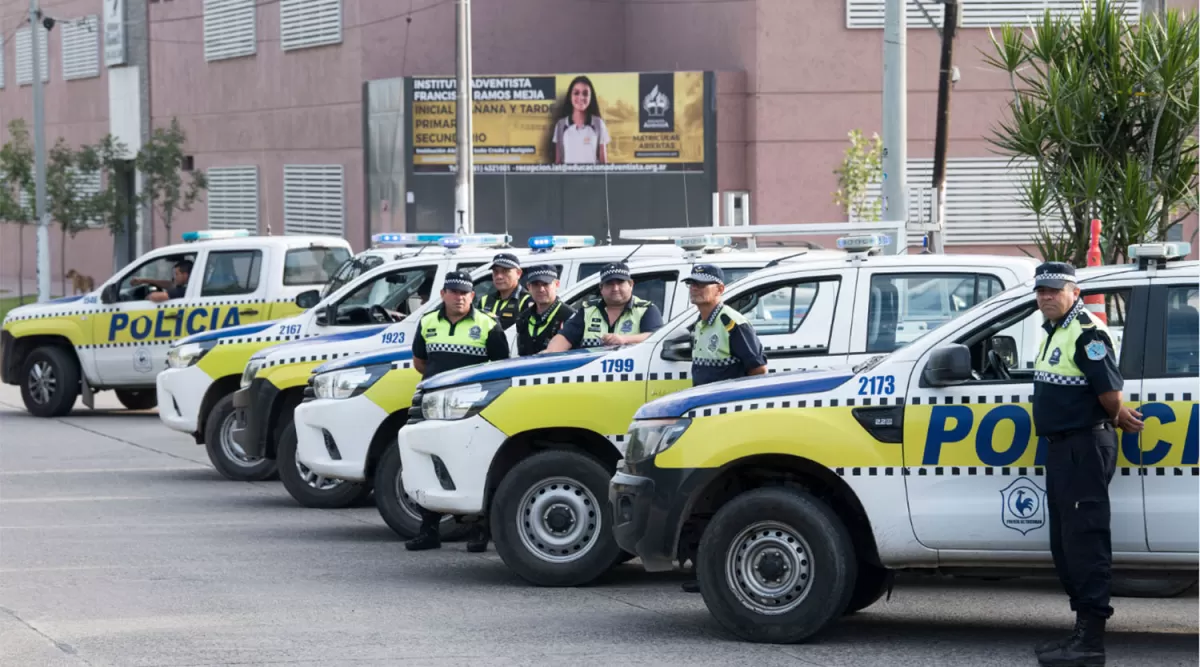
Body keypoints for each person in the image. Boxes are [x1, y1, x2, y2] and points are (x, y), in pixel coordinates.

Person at [1030, 262, 1143, 667]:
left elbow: (1109, 390)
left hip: (1083, 445)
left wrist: (1116, 413)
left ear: (1073, 291)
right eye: (1041, 290)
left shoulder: (1087, 332)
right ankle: (1079, 632)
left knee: (1085, 541)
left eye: (1054, 290)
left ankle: (1090, 642)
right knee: (1066, 543)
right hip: (1063, 448)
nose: (1045, 296)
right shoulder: (1056, 330)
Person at [677, 263, 768, 593]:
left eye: (703, 284)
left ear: (720, 289)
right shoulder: (701, 324)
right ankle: (705, 570)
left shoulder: (732, 323)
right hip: (708, 422)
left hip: (728, 424)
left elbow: (758, 371)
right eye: (692, 284)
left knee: (725, 495)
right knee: (707, 494)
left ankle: (718, 572)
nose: (696, 289)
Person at [406, 271, 511, 554]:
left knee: (474, 464)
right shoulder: (427, 321)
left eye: (465, 292)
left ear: (473, 296)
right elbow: (420, 362)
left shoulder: (487, 323)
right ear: (443, 294)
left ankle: (478, 532)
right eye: (454, 291)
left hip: (473, 409)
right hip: (433, 406)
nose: (460, 296)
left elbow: (501, 367)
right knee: (432, 465)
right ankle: (428, 530)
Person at [544, 262, 662, 352]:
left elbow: (657, 338)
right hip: (593, 377)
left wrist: (625, 340)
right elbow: (564, 338)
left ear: (631, 284)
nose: (615, 288)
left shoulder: (646, 309)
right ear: (601, 288)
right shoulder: (588, 310)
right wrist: (547, 354)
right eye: (610, 284)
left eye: (620, 283)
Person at [516, 264, 575, 356]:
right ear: (528, 287)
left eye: (546, 284)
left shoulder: (570, 317)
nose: (541, 289)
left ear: (557, 284)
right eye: (536, 285)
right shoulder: (523, 318)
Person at [552, 75, 610, 165]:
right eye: (576, 93)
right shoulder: (561, 125)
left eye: (585, 93)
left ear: (591, 97)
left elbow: (604, 163)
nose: (581, 97)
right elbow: (558, 162)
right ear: (570, 96)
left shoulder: (599, 124)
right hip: (568, 179)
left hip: (592, 179)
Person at [476, 252, 530, 331]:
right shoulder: (485, 300)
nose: (499, 276)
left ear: (518, 273)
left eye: (505, 271)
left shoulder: (527, 300)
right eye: (496, 271)